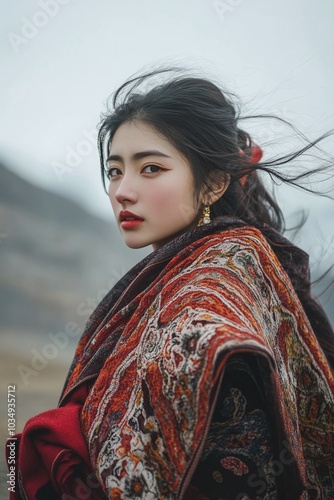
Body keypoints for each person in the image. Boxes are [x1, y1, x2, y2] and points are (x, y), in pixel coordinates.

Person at [7, 67, 334, 499]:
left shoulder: (209, 288)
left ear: (214, 183)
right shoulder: (202, 266)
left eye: (151, 168)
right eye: (114, 170)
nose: (122, 190)